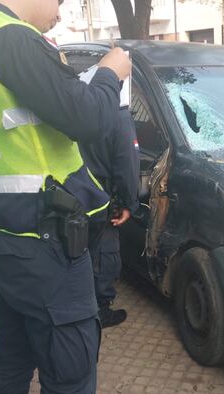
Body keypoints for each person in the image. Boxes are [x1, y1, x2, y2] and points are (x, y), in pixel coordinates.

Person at [0, 0, 130, 394]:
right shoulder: (12, 38)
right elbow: (90, 118)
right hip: (43, 243)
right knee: (70, 373)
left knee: (16, 345)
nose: (59, 12)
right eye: (59, 3)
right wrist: (109, 73)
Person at [83, 107, 140, 328]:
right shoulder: (117, 114)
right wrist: (128, 203)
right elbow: (127, 163)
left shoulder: (67, 99)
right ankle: (99, 311)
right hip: (100, 198)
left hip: (66, 194)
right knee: (104, 253)